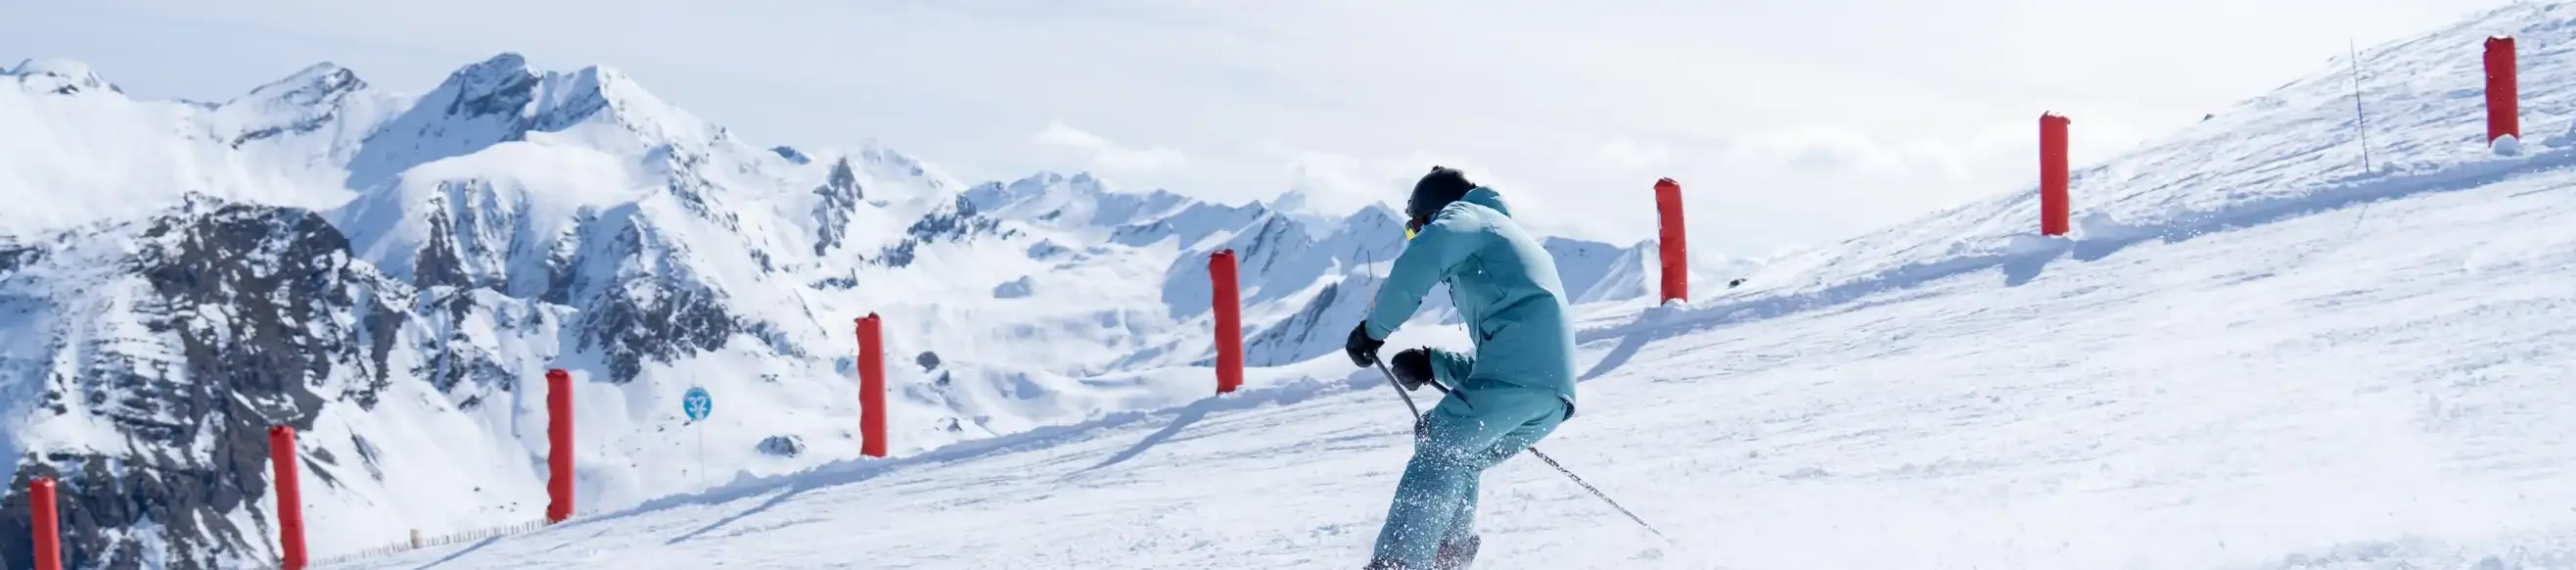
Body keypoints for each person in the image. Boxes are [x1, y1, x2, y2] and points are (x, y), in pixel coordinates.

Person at [1344, 166, 1579, 570]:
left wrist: (1373, 331)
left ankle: (1400, 563)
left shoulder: (1467, 215)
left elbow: (1421, 260)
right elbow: (1510, 357)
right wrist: (1434, 363)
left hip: (1518, 382)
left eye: (1417, 227)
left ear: (1435, 214)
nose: (1417, 235)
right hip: (1550, 399)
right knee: (1460, 456)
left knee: (1440, 444)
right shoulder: (1503, 236)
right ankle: (1446, 556)